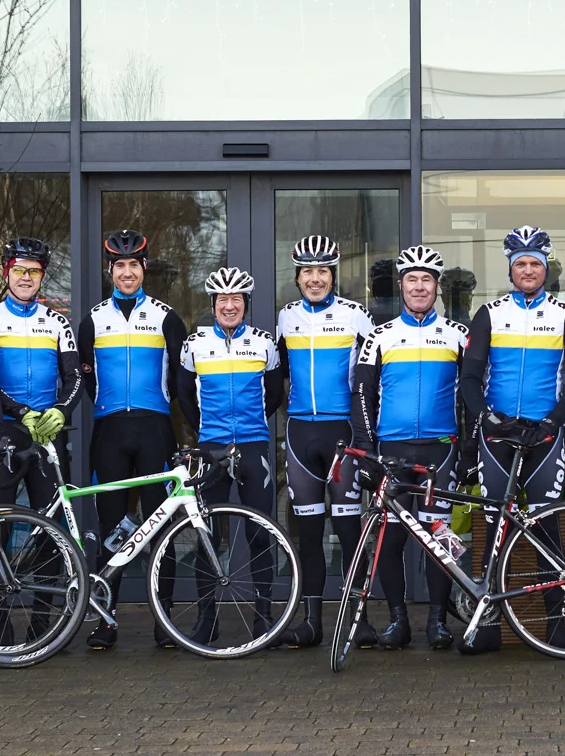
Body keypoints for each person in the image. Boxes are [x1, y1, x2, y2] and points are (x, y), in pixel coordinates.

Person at [455, 225, 565, 651]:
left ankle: (555, 627)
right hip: (498, 436)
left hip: (544, 435)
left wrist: (552, 422)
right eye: (521, 264)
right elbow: (470, 379)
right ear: (510, 270)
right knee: (495, 525)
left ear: (546, 268)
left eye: (535, 263)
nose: (529, 271)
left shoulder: (564, 314)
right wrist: (488, 419)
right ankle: (489, 627)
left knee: (545, 530)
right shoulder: (490, 313)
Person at [350, 244, 469, 650]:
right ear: (400, 286)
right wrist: (366, 448)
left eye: (427, 280)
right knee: (392, 538)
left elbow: (471, 395)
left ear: (437, 287)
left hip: (440, 449)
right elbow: (362, 394)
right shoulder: (379, 336)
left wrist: (468, 452)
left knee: (437, 539)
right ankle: (397, 620)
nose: (419, 287)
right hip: (392, 450)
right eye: (412, 280)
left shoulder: (458, 335)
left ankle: (437, 620)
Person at [78, 229, 188, 651]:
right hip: (108, 431)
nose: (127, 272)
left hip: (154, 430)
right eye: (119, 266)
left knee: (161, 526)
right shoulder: (93, 319)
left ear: (144, 269)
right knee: (109, 529)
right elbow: (87, 377)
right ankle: (107, 621)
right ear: (110, 271)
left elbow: (179, 380)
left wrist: (154, 406)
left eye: (133, 266)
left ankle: (164, 620)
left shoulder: (166, 317)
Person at [173, 266, 286, 644]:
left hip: (254, 446)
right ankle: (207, 618)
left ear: (246, 304)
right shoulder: (195, 344)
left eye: (236, 299)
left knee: (259, 533)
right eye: (223, 299)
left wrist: (252, 426)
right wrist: (206, 431)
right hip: (211, 448)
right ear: (213, 304)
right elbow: (184, 395)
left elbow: (275, 395)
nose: (229, 305)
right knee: (207, 534)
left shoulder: (265, 343)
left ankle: (264, 616)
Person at [275, 234, 378, 649]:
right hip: (300, 432)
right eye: (307, 272)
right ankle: (312, 620)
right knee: (309, 532)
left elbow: (371, 381)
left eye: (322, 272)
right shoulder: (285, 318)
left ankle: (360, 619)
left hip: (343, 434)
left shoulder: (357, 316)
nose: (314, 279)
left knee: (350, 529)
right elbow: (276, 375)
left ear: (333, 276)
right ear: (297, 278)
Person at [0, 237, 81, 515]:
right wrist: (21, 411)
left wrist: (61, 410)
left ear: (42, 276)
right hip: (5, 430)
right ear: (6, 273)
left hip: (48, 431)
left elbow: (75, 377)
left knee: (53, 521)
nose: (26, 277)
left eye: (33, 271)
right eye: (19, 270)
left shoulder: (58, 322)